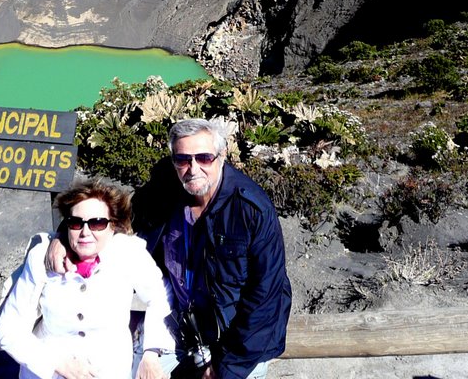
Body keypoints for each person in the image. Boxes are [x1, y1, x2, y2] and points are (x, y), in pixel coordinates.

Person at [49, 118, 292, 379]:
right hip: (180, 331)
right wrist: (63, 234)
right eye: (183, 159)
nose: (193, 168)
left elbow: (266, 298)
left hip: (237, 345)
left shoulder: (251, 208)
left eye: (204, 158)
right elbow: (109, 208)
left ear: (222, 155)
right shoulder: (165, 189)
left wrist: (225, 368)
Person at [0, 179, 174, 379]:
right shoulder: (41, 258)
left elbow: (161, 295)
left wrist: (151, 353)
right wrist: (55, 363)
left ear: (112, 225)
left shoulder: (128, 254)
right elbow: (9, 329)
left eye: (97, 223)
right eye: (76, 223)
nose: (85, 232)